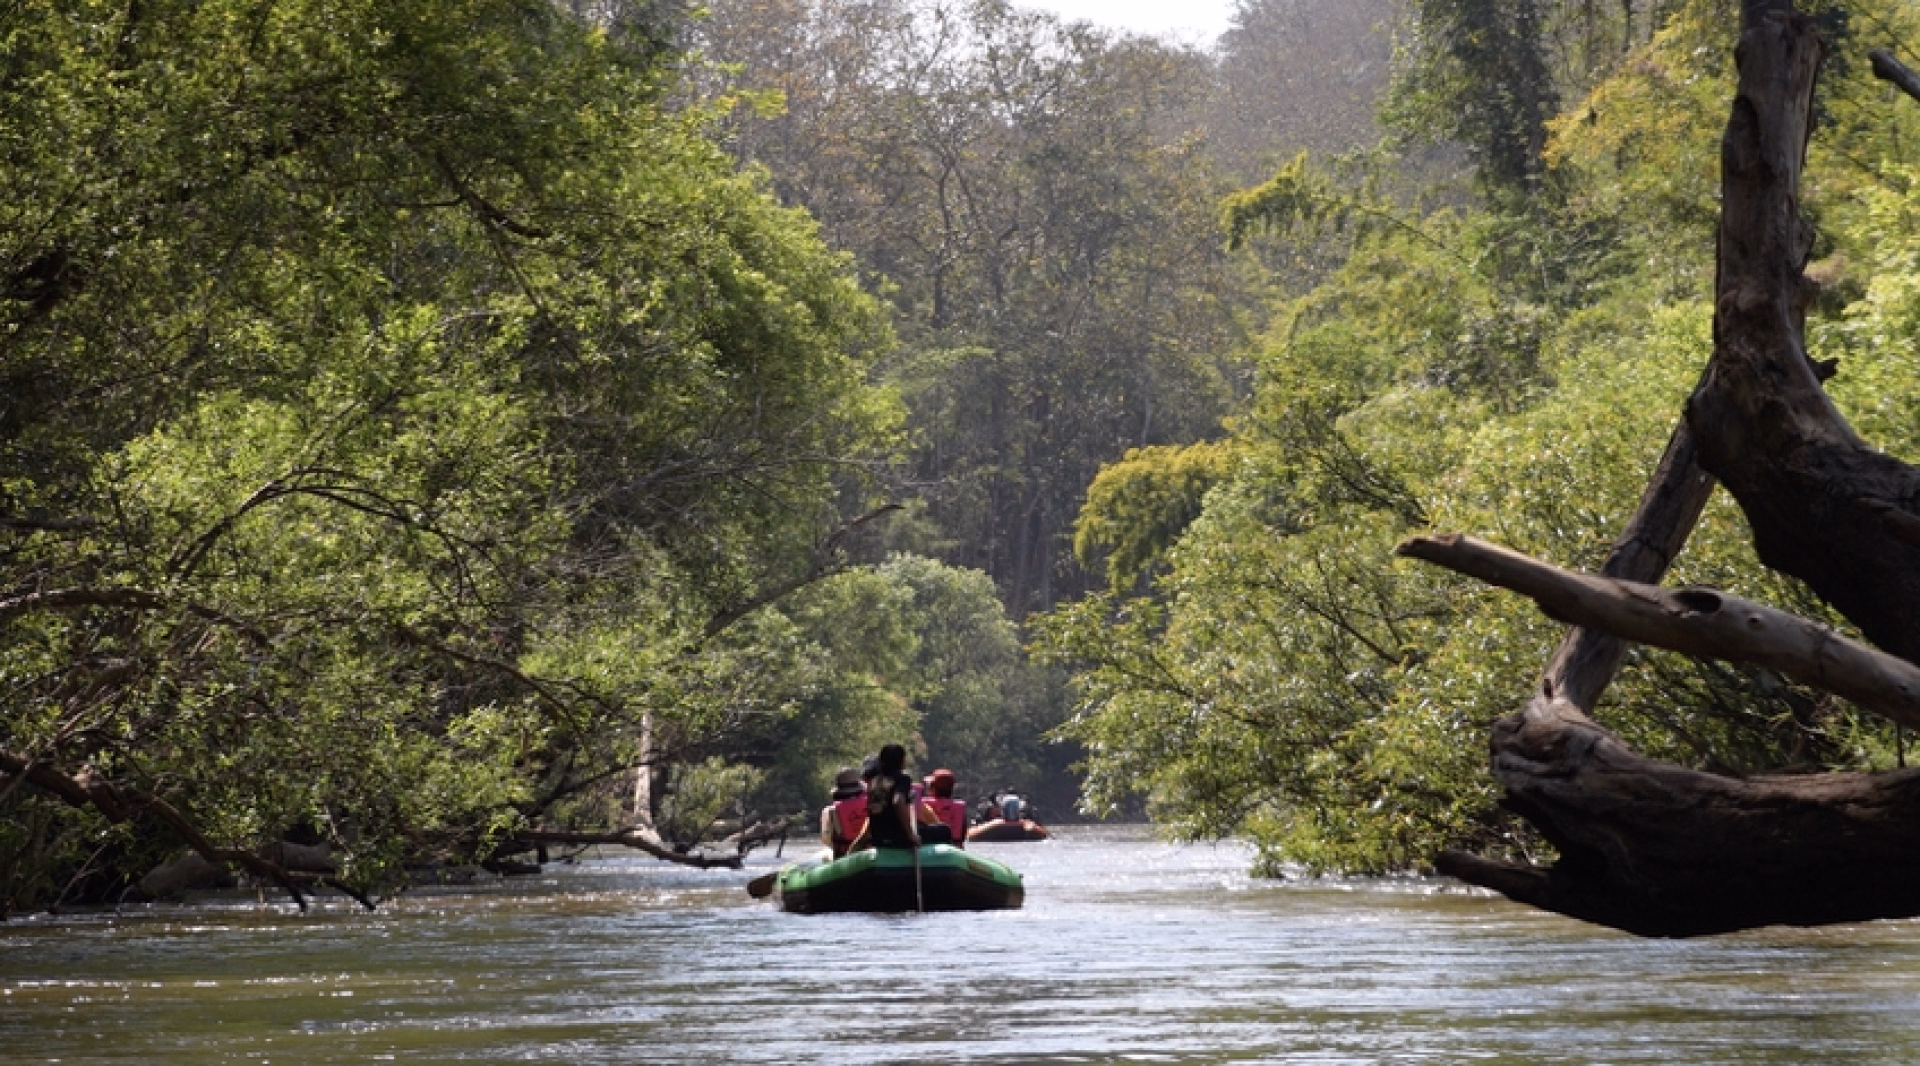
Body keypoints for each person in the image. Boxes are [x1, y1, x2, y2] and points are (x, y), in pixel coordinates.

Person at [859, 744, 921, 850]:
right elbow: (897, 802)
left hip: (878, 838)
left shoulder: (874, 781)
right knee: (943, 830)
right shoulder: (902, 779)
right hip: (898, 837)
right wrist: (911, 835)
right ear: (901, 761)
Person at [818, 766, 868, 858]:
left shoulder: (830, 811)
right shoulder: (871, 804)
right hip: (869, 853)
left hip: (844, 857)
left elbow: (826, 839)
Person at [922, 768, 967, 848]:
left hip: (930, 849)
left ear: (933, 788)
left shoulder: (924, 803)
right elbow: (963, 835)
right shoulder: (959, 806)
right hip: (955, 849)